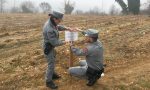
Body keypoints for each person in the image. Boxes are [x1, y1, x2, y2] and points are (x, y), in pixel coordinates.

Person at [42, 11, 73, 89]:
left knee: (53, 59)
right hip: (48, 47)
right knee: (51, 64)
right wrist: (65, 42)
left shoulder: (53, 23)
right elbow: (55, 42)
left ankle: (52, 74)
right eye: (59, 20)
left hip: (51, 46)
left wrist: (67, 28)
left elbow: (58, 27)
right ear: (54, 18)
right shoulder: (49, 28)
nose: (59, 22)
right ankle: (48, 81)